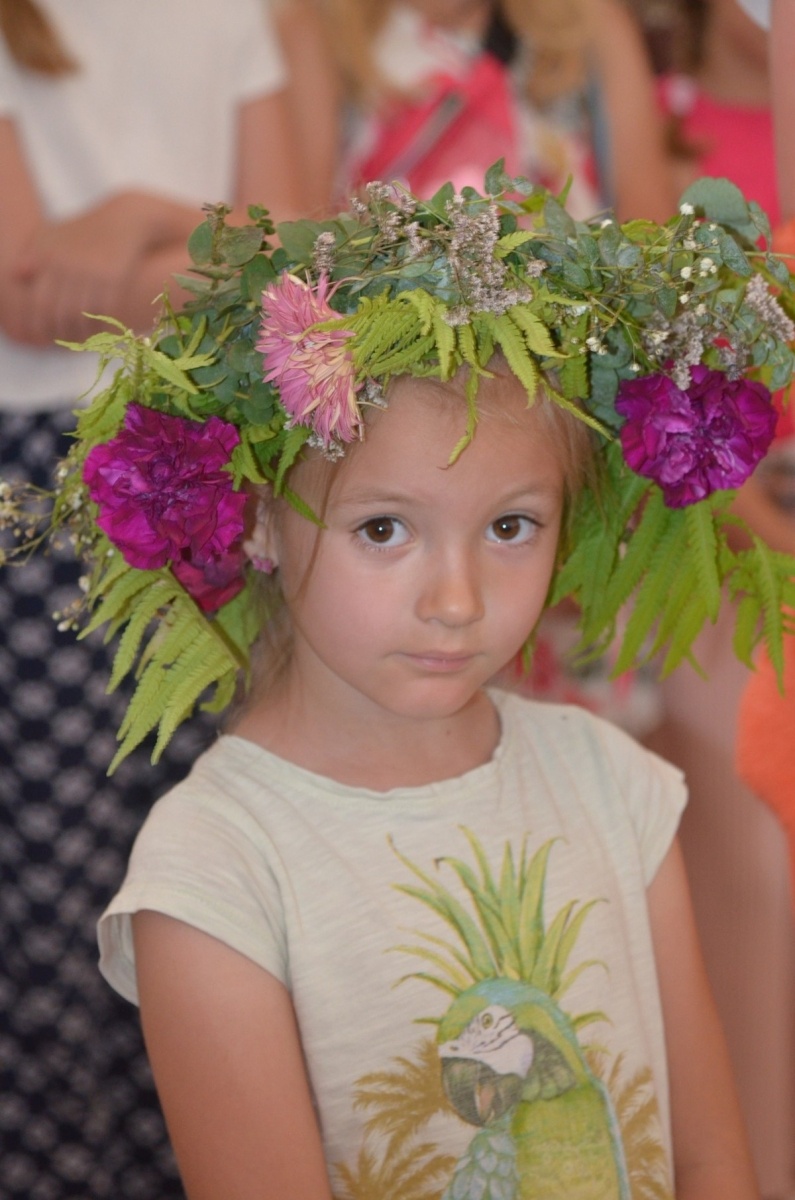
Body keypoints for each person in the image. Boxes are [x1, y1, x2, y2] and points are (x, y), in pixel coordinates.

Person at [7, 176, 792, 1199]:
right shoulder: (216, 870)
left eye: (511, 526)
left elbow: (712, 1160)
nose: (458, 600)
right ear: (253, 523)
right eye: (384, 529)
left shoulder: (616, 785)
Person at [0, 2, 300, 1196]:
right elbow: (25, 293)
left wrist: (130, 221)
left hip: (218, 459)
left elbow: (291, 261)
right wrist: (203, 245)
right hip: (41, 486)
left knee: (222, 875)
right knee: (61, 906)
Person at [281, 0, 676, 222]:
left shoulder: (589, 24)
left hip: (569, 345)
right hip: (381, 349)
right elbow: (301, 227)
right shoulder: (317, 31)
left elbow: (648, 222)